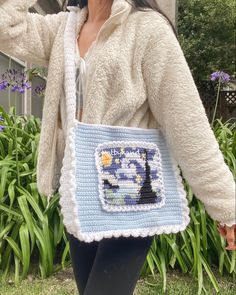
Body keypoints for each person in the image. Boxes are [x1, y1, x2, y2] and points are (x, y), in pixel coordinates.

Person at [0, 0, 235, 294]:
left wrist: (226, 205)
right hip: (82, 193)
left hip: (130, 193)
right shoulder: (63, 27)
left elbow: (186, 122)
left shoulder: (148, 29)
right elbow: (5, 27)